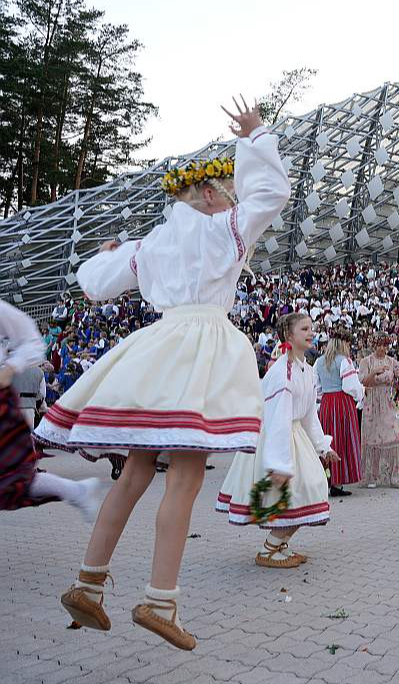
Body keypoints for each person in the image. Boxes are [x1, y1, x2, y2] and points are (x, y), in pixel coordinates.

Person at [47, 99, 290, 650]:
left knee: (135, 472)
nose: (233, 198)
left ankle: (88, 583)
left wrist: (104, 253)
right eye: (227, 190)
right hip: (203, 348)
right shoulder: (224, 228)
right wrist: (256, 137)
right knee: (184, 478)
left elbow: (95, 283)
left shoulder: (149, 244)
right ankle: (160, 601)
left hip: (157, 348)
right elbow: (272, 194)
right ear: (210, 195)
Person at [217, 313, 338, 564]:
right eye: (304, 329)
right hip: (278, 439)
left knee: (311, 491)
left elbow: (309, 415)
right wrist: (279, 464)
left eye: (311, 328)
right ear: (289, 336)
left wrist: (323, 446)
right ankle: (268, 550)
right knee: (301, 493)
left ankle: (279, 545)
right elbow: (278, 419)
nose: (311, 333)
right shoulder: (283, 373)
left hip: (294, 435)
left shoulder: (306, 370)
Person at [1, 301, 101, 520]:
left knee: (11, 478)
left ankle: (76, 491)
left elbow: (32, 339)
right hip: (24, 404)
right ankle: (76, 491)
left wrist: (10, 368)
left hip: (9, 399)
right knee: (10, 478)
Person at [315, 328, 364, 496]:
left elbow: (316, 387)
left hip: (326, 403)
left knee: (328, 439)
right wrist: (361, 394)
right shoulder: (344, 361)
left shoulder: (319, 362)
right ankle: (337, 482)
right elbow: (350, 386)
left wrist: (323, 397)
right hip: (342, 403)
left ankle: (326, 479)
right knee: (342, 439)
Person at [358, 335, 399, 489]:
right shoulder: (365, 362)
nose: (382, 349)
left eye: (385, 345)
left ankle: (396, 475)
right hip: (372, 403)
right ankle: (372, 476)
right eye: (379, 345)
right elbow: (364, 382)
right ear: (374, 345)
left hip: (388, 402)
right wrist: (374, 372)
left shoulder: (392, 362)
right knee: (373, 439)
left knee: (395, 436)